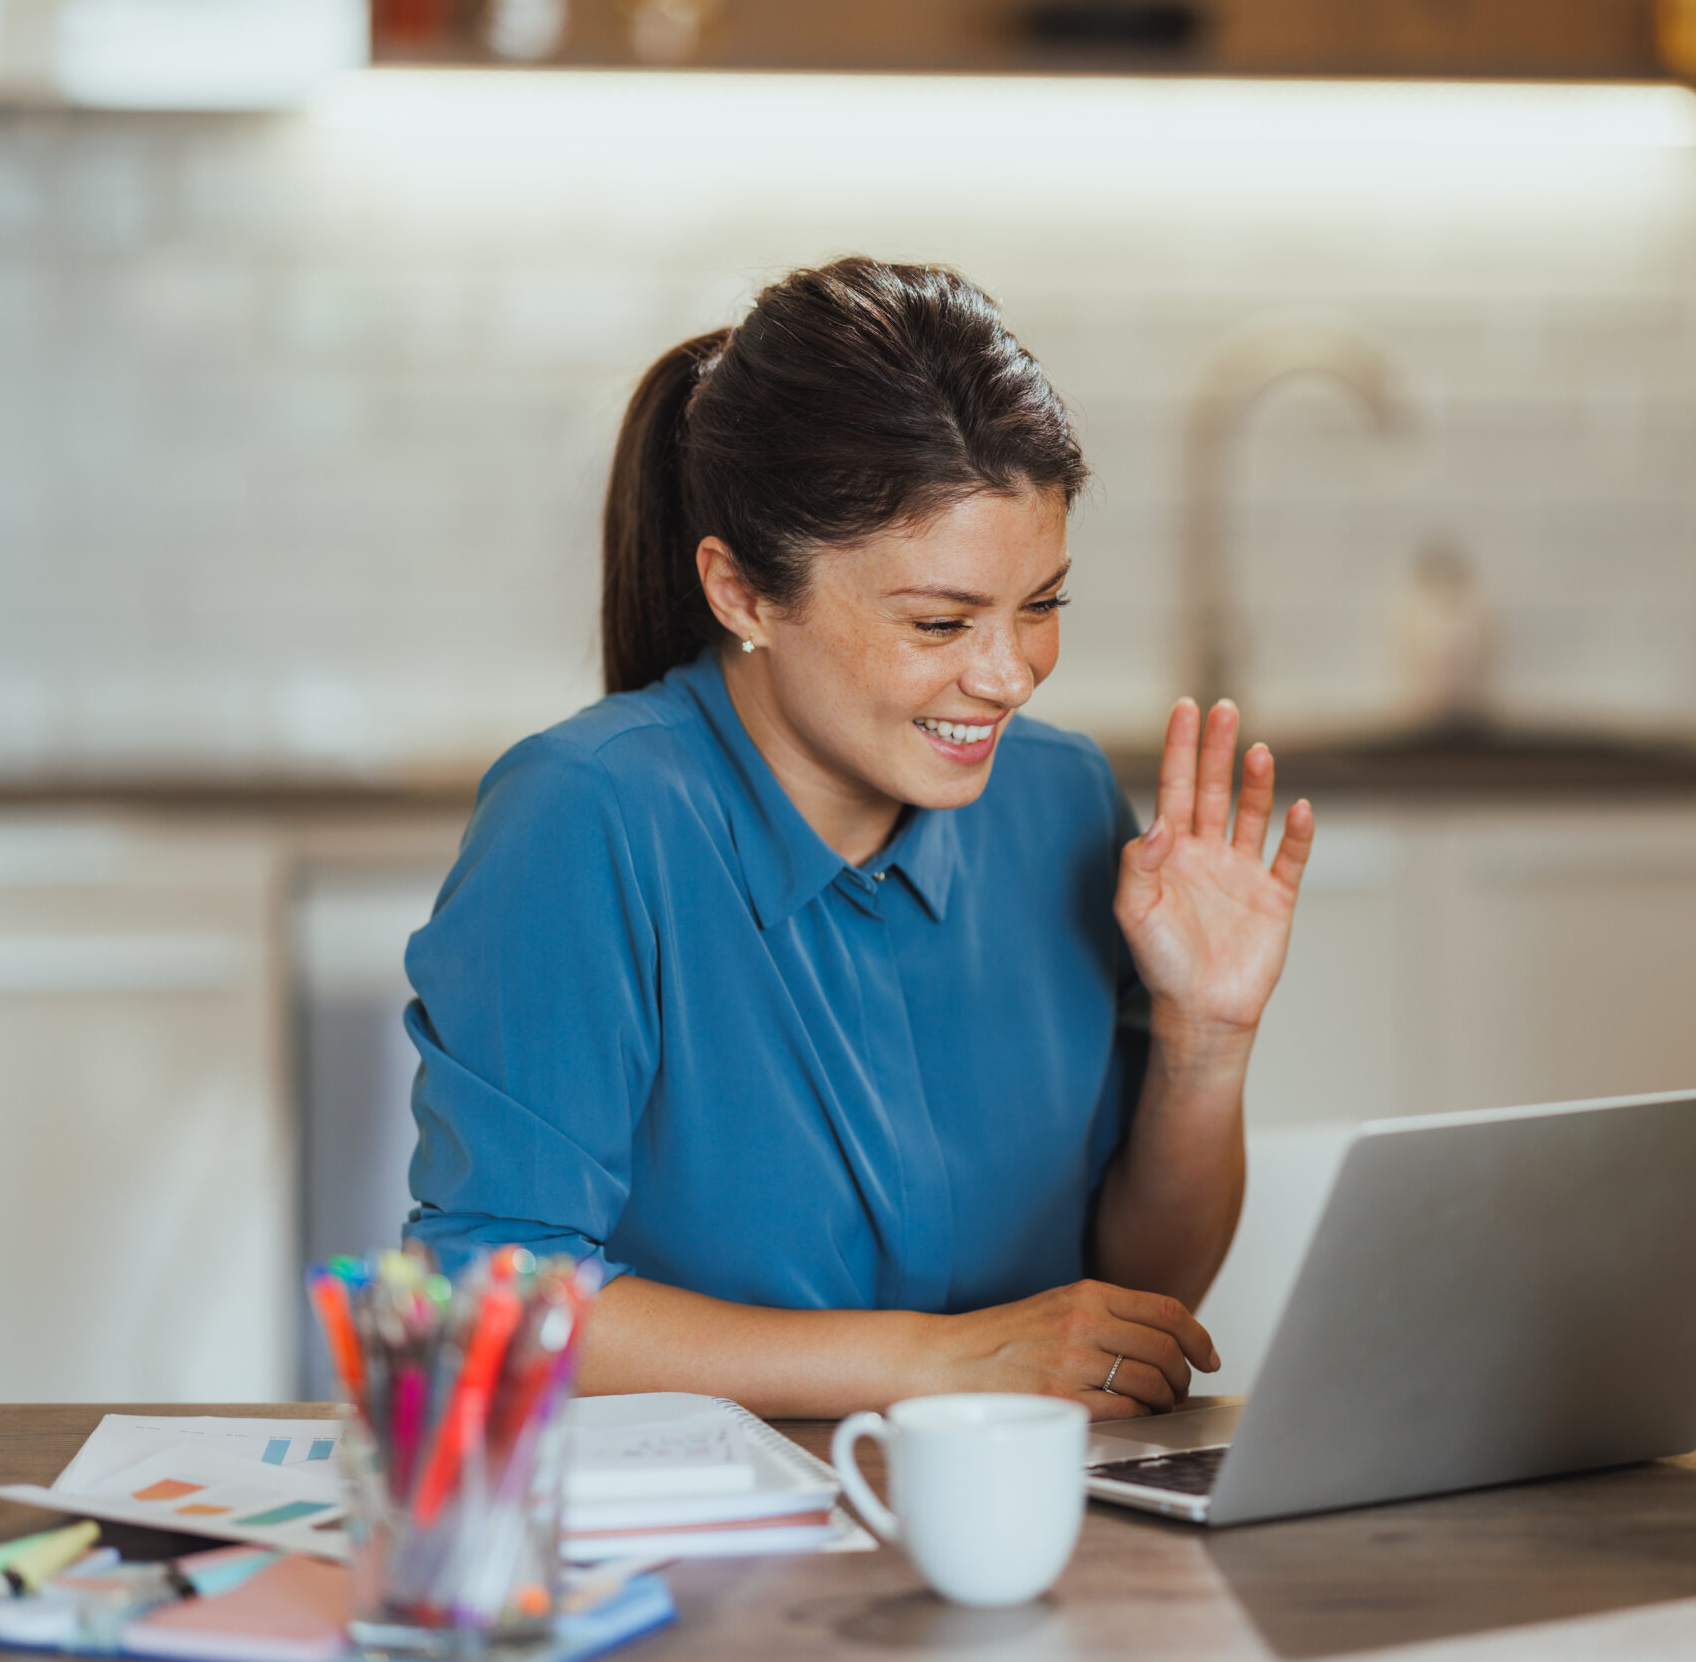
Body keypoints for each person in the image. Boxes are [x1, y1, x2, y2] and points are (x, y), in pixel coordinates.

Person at [402, 258, 1313, 1420]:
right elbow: (483, 1296)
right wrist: (928, 1361)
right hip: (709, 1548)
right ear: (740, 593)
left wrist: (1206, 1036)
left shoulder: (1063, 805)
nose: (1007, 675)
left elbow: (1129, 1313)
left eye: (1041, 605)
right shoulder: (588, 816)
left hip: (1027, 1530)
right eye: (939, 621)